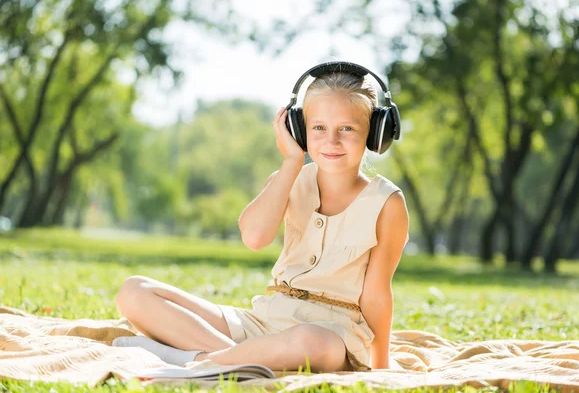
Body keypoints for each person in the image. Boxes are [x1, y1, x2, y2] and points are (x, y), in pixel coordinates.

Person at [112, 62, 410, 373]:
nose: (331, 141)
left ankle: (192, 359)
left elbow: (376, 296)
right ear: (299, 129)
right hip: (264, 319)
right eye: (318, 128)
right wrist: (292, 161)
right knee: (135, 291)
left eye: (347, 128)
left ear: (376, 133)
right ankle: (226, 359)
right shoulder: (289, 177)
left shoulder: (386, 203)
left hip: (332, 335)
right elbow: (254, 238)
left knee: (311, 342)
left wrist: (382, 365)